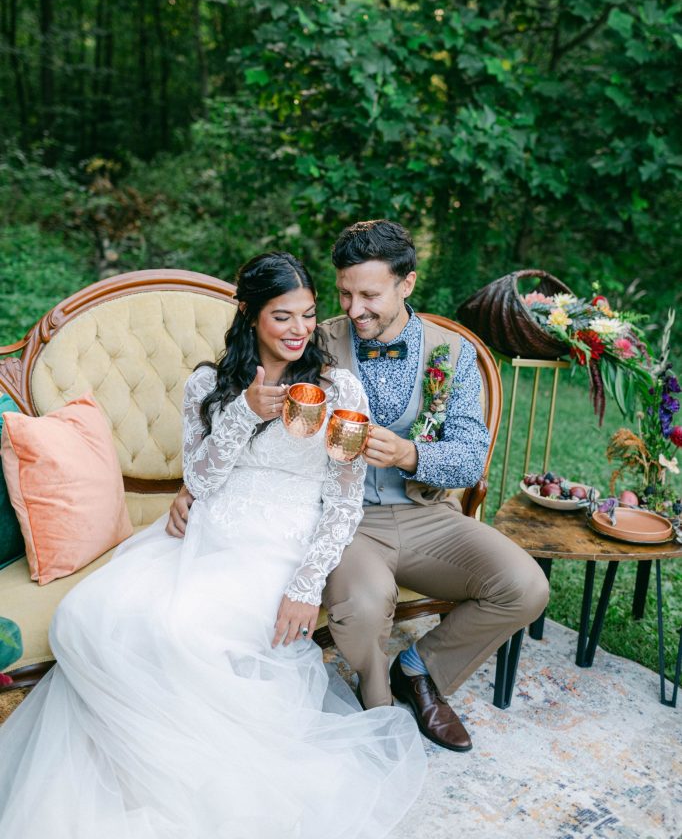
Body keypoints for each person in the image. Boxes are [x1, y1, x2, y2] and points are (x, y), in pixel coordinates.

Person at [0, 252, 426, 839]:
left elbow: (346, 498)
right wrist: (242, 414)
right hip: (205, 528)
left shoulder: (339, 387)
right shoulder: (209, 383)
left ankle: (192, 783)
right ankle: (136, 766)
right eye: (282, 317)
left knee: (183, 634)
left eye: (307, 314)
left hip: (278, 540)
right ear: (251, 317)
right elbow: (198, 481)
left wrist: (306, 587)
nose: (300, 329)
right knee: (91, 616)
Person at [169, 221, 550, 755]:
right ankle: (377, 702)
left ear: (406, 284)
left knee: (526, 586)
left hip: (427, 516)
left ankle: (420, 671)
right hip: (341, 519)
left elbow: (469, 458)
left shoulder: (454, 354)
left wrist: (411, 453)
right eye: (346, 293)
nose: (354, 309)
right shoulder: (316, 337)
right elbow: (243, 394)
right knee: (362, 609)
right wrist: (197, 485)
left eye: (369, 295)